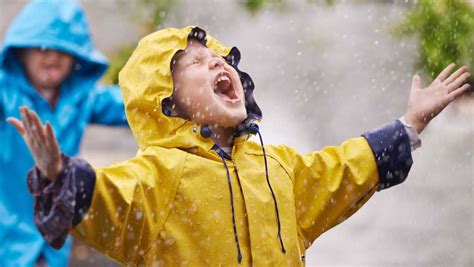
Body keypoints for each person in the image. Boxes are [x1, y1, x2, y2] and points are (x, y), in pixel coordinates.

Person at [8, 26, 471, 265]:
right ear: (165, 101)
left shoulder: (277, 169)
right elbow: (109, 200)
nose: (214, 63)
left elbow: (343, 167)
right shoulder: (159, 179)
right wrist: (58, 175)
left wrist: (409, 124)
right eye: (194, 63)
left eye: (217, 58)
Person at [0, 0, 128, 266]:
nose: (52, 55)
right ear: (21, 52)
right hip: (7, 230)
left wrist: (179, 100)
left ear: (77, 56)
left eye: (64, 48)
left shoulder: (82, 98)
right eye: (41, 47)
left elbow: (131, 106)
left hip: (54, 232)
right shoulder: (5, 92)